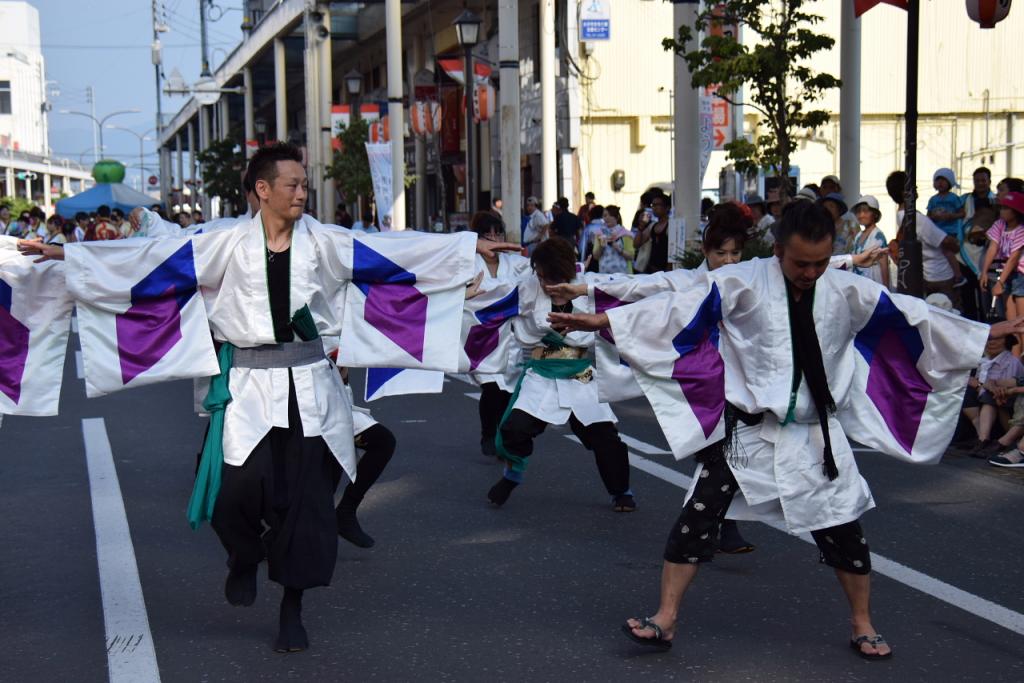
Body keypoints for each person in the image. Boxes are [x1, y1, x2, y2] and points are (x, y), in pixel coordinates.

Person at [17, 142, 521, 654]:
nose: (302, 192)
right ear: (263, 189)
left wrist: (466, 248)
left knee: (305, 504)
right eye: (292, 184)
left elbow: (393, 252)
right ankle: (243, 555)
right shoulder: (224, 242)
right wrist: (71, 255)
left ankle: (291, 609)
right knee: (230, 496)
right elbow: (154, 261)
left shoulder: (323, 241)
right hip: (249, 388)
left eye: (304, 184)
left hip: (311, 386)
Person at [550, 200, 1011, 659]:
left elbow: (910, 314)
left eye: (820, 263)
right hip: (746, 432)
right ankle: (665, 618)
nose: (811, 273)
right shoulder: (742, 281)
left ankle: (862, 623)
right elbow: (679, 305)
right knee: (697, 518)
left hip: (814, 435)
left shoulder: (846, 290)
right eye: (800, 263)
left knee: (843, 529)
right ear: (777, 250)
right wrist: (607, 319)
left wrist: (978, 334)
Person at [486, 237, 635, 512]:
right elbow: (490, 299)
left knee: (605, 436)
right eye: (541, 276)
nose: (546, 284)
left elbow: (639, 292)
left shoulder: (590, 287)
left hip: (581, 375)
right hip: (541, 373)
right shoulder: (527, 288)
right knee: (514, 430)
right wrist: (467, 293)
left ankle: (621, 492)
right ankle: (513, 473)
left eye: (552, 278)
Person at [464, 211, 531, 456]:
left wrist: (573, 267)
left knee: (506, 392)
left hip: (508, 337)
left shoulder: (516, 263)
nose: (494, 239)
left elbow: (539, 277)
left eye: (498, 233)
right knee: (491, 387)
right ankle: (488, 434)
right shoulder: (467, 263)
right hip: (479, 336)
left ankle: (503, 436)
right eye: (487, 235)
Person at [886, 171, 962, 306]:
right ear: (905, 193)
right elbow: (945, 241)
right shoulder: (917, 219)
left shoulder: (901, 216)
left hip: (926, 273)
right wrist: (957, 244)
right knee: (949, 312)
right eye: (913, 187)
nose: (916, 189)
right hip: (940, 275)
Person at [961, 335, 1023, 457]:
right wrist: (992, 387)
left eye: (997, 339)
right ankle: (983, 439)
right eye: (989, 339)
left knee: (991, 397)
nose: (991, 342)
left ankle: (995, 441)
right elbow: (994, 382)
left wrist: (999, 390)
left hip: (1011, 403)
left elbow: (1009, 388)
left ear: (1006, 341)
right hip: (995, 399)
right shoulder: (983, 360)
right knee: (975, 393)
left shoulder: (1011, 362)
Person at [979, 192, 1024, 330]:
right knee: (1011, 322)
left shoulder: (1022, 229)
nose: (1001, 211)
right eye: (1001, 207)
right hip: (1007, 273)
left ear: (1016, 212)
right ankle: (1015, 345)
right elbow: (992, 248)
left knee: (1021, 319)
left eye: (1006, 208)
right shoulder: (1000, 224)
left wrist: (1000, 282)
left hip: (1021, 275)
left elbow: (1014, 258)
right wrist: (984, 272)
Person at [850, 196, 890, 289]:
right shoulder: (858, 235)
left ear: (875, 214)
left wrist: (886, 290)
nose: (861, 215)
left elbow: (884, 265)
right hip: (859, 283)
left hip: (874, 282)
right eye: (858, 212)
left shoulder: (878, 236)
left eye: (865, 211)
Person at [592, 205, 634, 274]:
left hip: (623, 275)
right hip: (604, 274)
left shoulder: (626, 234)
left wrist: (619, 249)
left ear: (617, 217)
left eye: (611, 215)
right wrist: (601, 247)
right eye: (605, 216)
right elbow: (595, 256)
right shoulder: (599, 234)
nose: (607, 218)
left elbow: (631, 256)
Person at [635, 193, 670, 273]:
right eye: (653, 205)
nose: (654, 208)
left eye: (657, 205)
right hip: (651, 269)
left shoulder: (671, 225)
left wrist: (669, 270)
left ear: (667, 207)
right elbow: (636, 244)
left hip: (666, 271)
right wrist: (641, 226)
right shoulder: (652, 226)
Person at [928, 168, 965, 238]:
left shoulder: (954, 198)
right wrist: (934, 217)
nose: (940, 182)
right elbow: (928, 216)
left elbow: (962, 213)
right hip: (936, 231)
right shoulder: (932, 199)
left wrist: (951, 216)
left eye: (943, 180)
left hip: (951, 232)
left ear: (950, 182)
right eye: (938, 180)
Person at [580, 204, 606, 271]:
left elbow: (582, 246)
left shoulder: (588, 227)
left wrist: (582, 261)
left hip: (591, 256)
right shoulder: (607, 227)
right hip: (605, 255)